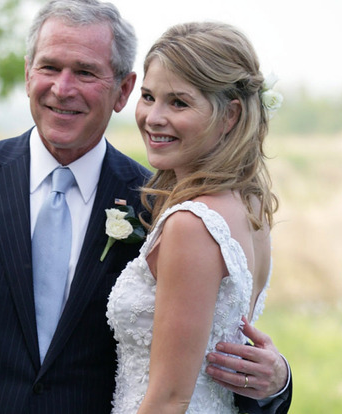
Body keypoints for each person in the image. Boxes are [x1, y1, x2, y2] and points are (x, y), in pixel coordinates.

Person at [0, 0, 290, 413]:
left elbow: (205, 359)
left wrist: (276, 384)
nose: (62, 89)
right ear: (27, 74)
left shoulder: (159, 204)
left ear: (122, 90)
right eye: (50, 67)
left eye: (84, 72)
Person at [106, 21, 289, 413]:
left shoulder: (192, 223)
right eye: (149, 97)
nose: (153, 117)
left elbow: (170, 400)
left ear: (230, 116)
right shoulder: (250, 204)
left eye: (178, 102)